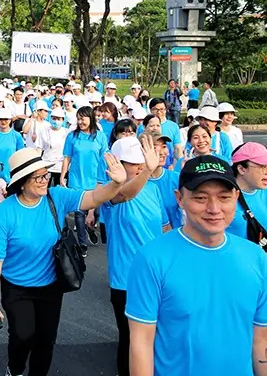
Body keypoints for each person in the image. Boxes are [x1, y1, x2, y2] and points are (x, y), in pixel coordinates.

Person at [126, 155, 267, 375]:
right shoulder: (151, 259)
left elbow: (263, 337)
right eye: (200, 198)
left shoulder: (255, 257)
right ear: (179, 199)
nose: (214, 208)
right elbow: (141, 343)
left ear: (236, 197)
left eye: (224, 197)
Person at [0, 148, 127, 376]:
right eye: (38, 177)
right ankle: (15, 369)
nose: (44, 180)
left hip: (50, 285)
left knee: (46, 339)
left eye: (45, 175)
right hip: (16, 287)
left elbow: (94, 198)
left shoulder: (57, 197)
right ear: (21, 182)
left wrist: (116, 184)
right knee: (23, 335)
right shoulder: (7, 212)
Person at [100, 135, 166, 375]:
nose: (139, 167)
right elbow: (125, 195)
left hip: (158, 276)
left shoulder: (154, 189)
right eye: (132, 163)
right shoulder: (108, 192)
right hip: (126, 279)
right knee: (132, 341)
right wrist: (148, 171)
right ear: (117, 163)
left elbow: (164, 228)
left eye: (141, 162)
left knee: (159, 338)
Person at [230, 142, 267, 304]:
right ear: (241, 169)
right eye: (262, 166)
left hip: (263, 276)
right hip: (230, 279)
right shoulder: (222, 197)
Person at [60, 106, 108, 255]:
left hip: (95, 179)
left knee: (95, 212)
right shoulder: (72, 137)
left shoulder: (99, 136)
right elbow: (67, 157)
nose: (80, 122)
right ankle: (82, 243)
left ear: (91, 118)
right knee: (79, 214)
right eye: (78, 119)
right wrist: (63, 175)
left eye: (83, 118)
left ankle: (90, 228)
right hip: (77, 179)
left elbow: (104, 157)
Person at [147, 134, 182, 227]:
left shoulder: (176, 178)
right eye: (155, 147)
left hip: (174, 236)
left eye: (164, 147)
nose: (161, 152)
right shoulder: (136, 184)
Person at [0, 109, 25, 184]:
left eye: (6, 119)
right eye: (0, 119)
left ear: (10, 120)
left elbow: (21, 155)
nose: (3, 122)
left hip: (12, 173)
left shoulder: (17, 136)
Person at [43, 108, 69, 187]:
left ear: (63, 120)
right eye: (54, 118)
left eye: (58, 119)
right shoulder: (44, 131)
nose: (56, 121)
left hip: (61, 167)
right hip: (47, 166)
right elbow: (39, 149)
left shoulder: (67, 132)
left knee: (59, 191)